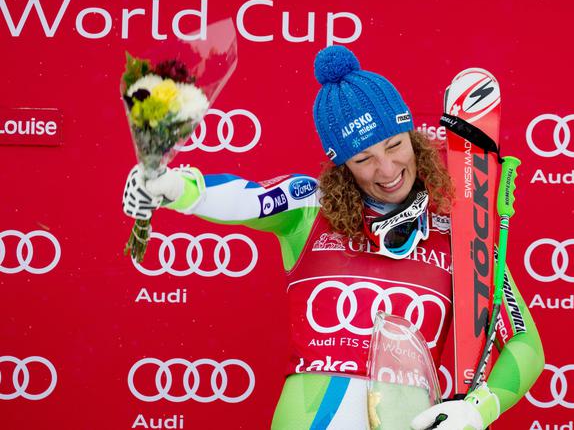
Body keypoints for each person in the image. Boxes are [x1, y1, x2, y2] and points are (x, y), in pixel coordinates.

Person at [122, 45, 544, 429]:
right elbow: (245, 198)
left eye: (395, 145)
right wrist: (176, 188)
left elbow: (525, 343)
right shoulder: (310, 209)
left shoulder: (462, 233)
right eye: (363, 158)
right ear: (342, 166)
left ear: (415, 138)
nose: (386, 169)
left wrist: (478, 407)